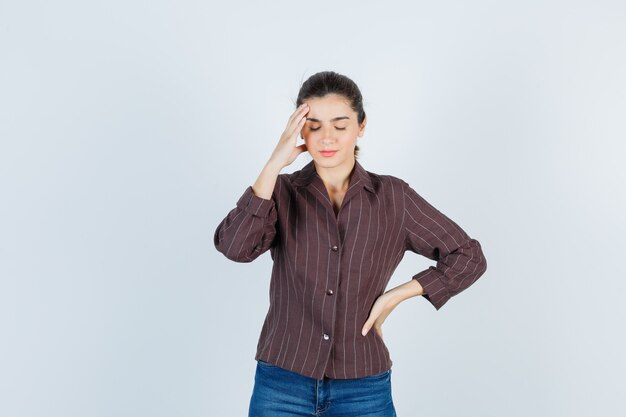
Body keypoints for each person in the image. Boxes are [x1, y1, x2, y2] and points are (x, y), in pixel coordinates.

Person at [214, 71, 487, 417]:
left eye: (340, 126)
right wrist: (272, 165)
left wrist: (397, 295)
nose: (327, 138)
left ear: (361, 126)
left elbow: (468, 256)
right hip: (281, 383)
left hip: (363, 387)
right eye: (313, 125)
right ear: (299, 130)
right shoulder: (280, 192)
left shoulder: (393, 198)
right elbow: (235, 247)